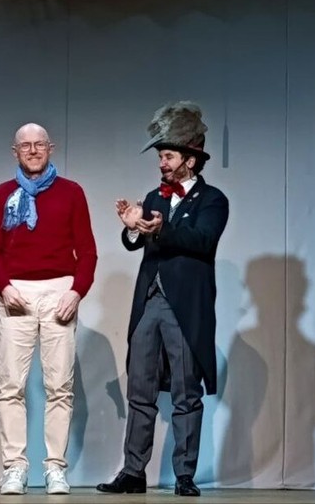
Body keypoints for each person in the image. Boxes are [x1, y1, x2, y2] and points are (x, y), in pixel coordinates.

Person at [97, 101, 229, 497]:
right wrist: (133, 228)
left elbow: (202, 240)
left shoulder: (212, 200)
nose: (162, 164)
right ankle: (133, 472)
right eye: (160, 157)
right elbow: (135, 242)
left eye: (168, 156)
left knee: (186, 393)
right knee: (140, 390)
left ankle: (184, 475)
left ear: (190, 158)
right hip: (150, 303)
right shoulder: (154, 197)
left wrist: (160, 229)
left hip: (184, 307)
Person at [0, 123, 97, 495]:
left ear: (51, 148)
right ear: (15, 151)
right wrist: (4, 287)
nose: (32, 150)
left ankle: (55, 467)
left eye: (39, 144)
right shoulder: (2, 194)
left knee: (60, 387)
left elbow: (87, 251)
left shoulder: (71, 192)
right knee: (10, 387)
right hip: (15, 293)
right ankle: (14, 467)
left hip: (60, 291)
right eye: (25, 145)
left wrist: (76, 292)